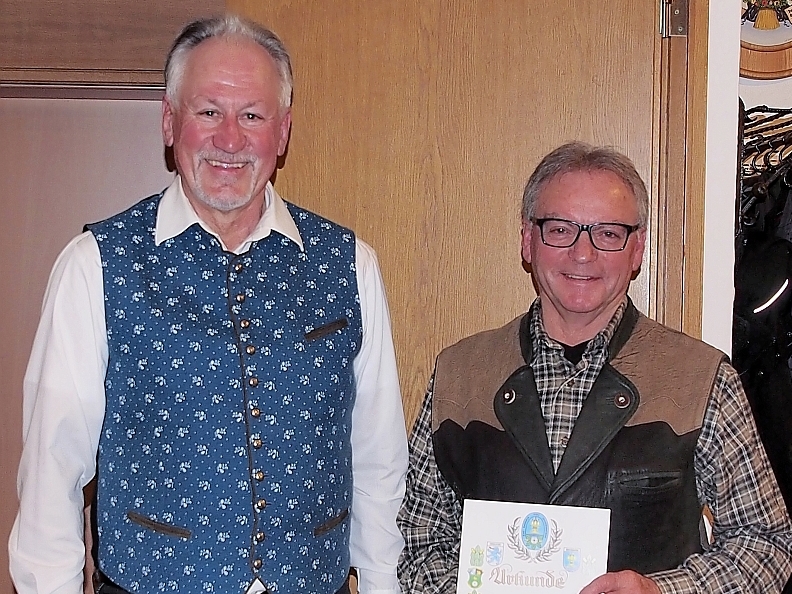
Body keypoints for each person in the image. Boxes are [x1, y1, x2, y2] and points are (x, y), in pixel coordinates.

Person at [9, 15, 407, 594]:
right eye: (209, 112)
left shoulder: (350, 266)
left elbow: (378, 462)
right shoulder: (95, 266)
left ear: (283, 132)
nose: (230, 139)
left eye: (252, 116)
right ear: (169, 121)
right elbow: (51, 473)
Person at [397, 142, 792, 594]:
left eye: (607, 233)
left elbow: (768, 545)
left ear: (637, 249)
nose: (582, 253)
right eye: (561, 229)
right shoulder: (459, 375)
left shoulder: (702, 380)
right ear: (528, 240)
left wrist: (662, 591)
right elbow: (417, 543)